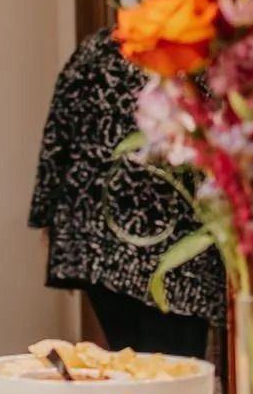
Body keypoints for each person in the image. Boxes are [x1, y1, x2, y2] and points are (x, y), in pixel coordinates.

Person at [28, 25, 225, 360]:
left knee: (134, 367)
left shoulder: (98, 46)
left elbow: (56, 137)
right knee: (170, 375)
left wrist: (47, 220)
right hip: (172, 247)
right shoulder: (194, 53)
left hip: (97, 243)